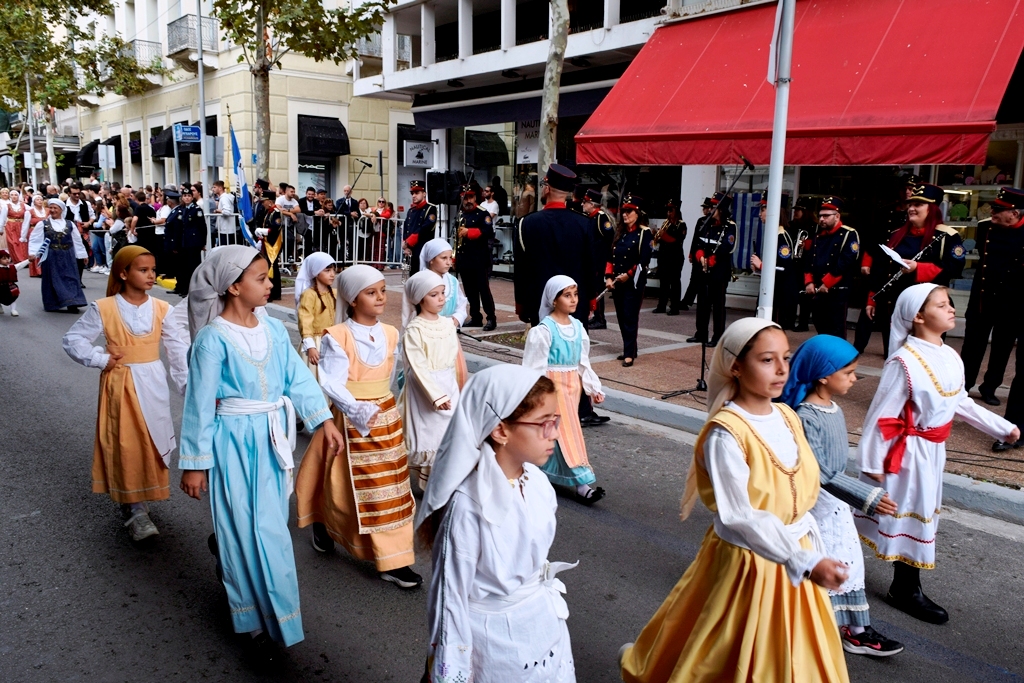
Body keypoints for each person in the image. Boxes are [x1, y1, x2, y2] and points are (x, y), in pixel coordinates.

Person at [620, 318, 850, 683]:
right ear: (736, 366)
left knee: (798, 651)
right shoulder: (727, 435)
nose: (781, 370)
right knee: (735, 650)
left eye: (786, 358)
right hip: (750, 563)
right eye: (766, 360)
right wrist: (804, 560)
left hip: (798, 553)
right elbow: (739, 517)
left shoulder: (789, 416)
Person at [179, 245, 342, 657]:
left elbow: (296, 378)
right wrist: (195, 465)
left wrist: (323, 421)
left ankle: (280, 617)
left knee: (269, 529)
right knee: (238, 528)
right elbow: (199, 405)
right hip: (231, 441)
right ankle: (250, 621)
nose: (272, 285)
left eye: (270, 277)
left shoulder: (270, 329)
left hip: (270, 439)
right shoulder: (211, 341)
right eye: (262, 279)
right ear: (234, 287)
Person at [854, 283, 1018, 625]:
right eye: (942, 305)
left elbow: (960, 402)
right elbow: (881, 416)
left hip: (932, 451)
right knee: (905, 512)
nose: (951, 309)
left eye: (950, 304)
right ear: (917, 316)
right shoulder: (904, 361)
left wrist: (1001, 427)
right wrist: (872, 463)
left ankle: (899, 583)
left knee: (919, 512)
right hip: (906, 453)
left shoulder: (948, 356)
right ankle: (900, 586)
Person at [416, 365, 578, 682]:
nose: (554, 433)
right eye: (544, 423)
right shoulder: (468, 505)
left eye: (555, 421)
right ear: (501, 430)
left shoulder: (538, 483)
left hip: (541, 625)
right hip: (494, 643)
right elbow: (450, 599)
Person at [295, 265, 421, 589]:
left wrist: (384, 405)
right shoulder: (338, 337)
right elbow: (330, 380)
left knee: (391, 488)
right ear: (352, 299)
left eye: (382, 290)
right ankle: (326, 522)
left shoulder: (391, 332)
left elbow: (390, 376)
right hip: (352, 419)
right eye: (371, 292)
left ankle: (393, 557)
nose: (380, 297)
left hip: (385, 419)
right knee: (347, 484)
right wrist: (356, 408)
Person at [781, 335, 904, 657]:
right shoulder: (807, 416)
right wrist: (867, 496)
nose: (854, 378)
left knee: (848, 562)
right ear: (823, 375)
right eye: (848, 372)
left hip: (837, 502)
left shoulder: (831, 408)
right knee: (831, 561)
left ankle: (853, 628)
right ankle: (833, 628)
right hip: (821, 503)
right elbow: (821, 473)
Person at [62, 246, 188, 542]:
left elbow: (178, 350)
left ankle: (140, 495)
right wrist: (100, 359)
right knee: (127, 442)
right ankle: (135, 509)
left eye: (153, 270)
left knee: (150, 439)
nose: (150, 275)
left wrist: (188, 386)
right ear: (123, 273)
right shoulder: (104, 307)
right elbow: (73, 340)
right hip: (120, 383)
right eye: (143, 270)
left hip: (153, 383)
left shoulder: (162, 308)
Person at [523, 275, 606, 504]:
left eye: (575, 294)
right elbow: (533, 368)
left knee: (560, 434)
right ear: (553, 299)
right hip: (551, 389)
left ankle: (541, 473)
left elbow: (583, 362)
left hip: (572, 390)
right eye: (567, 295)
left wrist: (592, 388)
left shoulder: (578, 327)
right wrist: (535, 396)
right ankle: (581, 484)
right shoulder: (544, 330)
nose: (573, 300)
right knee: (562, 433)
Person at [857, 184, 965, 357]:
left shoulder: (947, 236)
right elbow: (882, 270)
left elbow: (954, 267)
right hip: (894, 306)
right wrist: (872, 298)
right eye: (911, 204)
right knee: (894, 356)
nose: (911, 209)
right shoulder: (896, 234)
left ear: (932, 209)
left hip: (928, 308)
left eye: (918, 205)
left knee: (925, 358)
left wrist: (918, 269)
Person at [960, 187, 1024, 450]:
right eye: (993, 208)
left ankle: (990, 387)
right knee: (971, 347)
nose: (993, 213)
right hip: (984, 301)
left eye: (999, 210)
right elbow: (982, 269)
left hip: (1014, 306)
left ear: (1015, 214)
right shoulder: (986, 228)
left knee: (1001, 349)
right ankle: (961, 390)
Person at [401, 269, 461, 488]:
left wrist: (453, 388)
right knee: (431, 435)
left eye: (442, 293)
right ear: (419, 299)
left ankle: (443, 482)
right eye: (434, 295)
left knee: (448, 435)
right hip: (425, 390)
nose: (441, 299)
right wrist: (435, 395)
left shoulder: (447, 324)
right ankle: (432, 484)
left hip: (449, 384)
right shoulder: (414, 329)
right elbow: (418, 367)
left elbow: (451, 360)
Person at [605, 193, 653, 368]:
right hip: (618, 282)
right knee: (620, 316)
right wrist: (609, 277)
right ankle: (631, 348)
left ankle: (628, 354)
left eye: (629, 211)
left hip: (633, 282)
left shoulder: (644, 233)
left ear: (637, 213)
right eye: (624, 211)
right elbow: (610, 257)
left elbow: (644, 260)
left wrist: (629, 274)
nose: (625, 214)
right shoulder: (620, 233)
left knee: (630, 316)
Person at [804, 197, 860, 340]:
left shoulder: (848, 234)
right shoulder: (818, 235)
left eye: (826, 216)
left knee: (836, 331)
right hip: (818, 290)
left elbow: (845, 262)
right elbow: (809, 260)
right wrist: (808, 281)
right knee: (820, 327)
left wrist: (826, 283)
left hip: (837, 291)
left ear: (837, 216)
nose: (822, 219)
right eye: (820, 215)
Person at [687, 192, 736, 346]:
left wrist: (712, 259)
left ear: (721, 209)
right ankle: (701, 333)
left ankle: (718, 336)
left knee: (718, 305)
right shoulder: (707, 223)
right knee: (702, 303)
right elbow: (699, 242)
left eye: (714, 206)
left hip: (719, 272)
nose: (711, 210)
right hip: (704, 268)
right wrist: (700, 255)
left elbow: (727, 246)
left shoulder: (730, 226)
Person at [27, 198, 87, 313]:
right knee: (53, 279)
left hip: (68, 255)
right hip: (51, 255)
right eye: (51, 208)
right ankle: (53, 303)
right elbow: (35, 239)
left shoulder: (70, 224)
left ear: (61, 210)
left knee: (71, 278)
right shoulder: (43, 224)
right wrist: (32, 253)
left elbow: (77, 240)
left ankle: (72, 302)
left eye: (56, 208)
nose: (53, 210)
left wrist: (82, 255)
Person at [750, 194, 798, 329]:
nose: (760, 214)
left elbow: (784, 268)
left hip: (780, 293)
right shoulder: (774, 233)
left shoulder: (781, 235)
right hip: (773, 290)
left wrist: (762, 265)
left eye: (763, 209)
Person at [454, 185, 497, 331]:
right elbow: (456, 238)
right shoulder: (460, 214)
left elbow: (488, 232)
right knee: (470, 291)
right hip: (465, 258)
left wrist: (469, 232)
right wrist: (455, 258)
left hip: (479, 259)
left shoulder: (482, 213)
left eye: (471, 197)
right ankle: (475, 317)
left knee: (483, 290)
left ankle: (491, 318)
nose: (468, 201)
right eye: (465, 198)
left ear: (475, 198)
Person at [294, 252, 337, 382]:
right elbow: (305, 320)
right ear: (316, 272)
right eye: (327, 270)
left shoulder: (334, 293)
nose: (332, 274)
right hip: (316, 342)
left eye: (334, 270)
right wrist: (311, 346)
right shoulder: (309, 295)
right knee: (315, 377)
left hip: (333, 340)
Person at [653, 199, 686, 316]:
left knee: (675, 283)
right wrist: (656, 235)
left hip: (675, 257)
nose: (668, 213)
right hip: (664, 257)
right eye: (667, 210)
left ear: (676, 210)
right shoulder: (666, 223)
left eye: (671, 210)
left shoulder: (681, 224)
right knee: (663, 282)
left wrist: (664, 235)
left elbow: (676, 241)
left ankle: (675, 307)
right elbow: (660, 240)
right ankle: (661, 305)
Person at [680, 197, 713, 311]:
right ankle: (687, 301)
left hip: (708, 255)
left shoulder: (713, 221)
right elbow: (696, 238)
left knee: (705, 281)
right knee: (694, 279)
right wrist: (691, 253)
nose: (704, 210)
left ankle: (708, 302)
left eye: (706, 208)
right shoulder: (701, 221)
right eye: (704, 208)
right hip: (698, 254)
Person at [175, 185, 207, 296]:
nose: (187, 198)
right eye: (185, 196)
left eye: (189, 196)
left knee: (193, 267)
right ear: (182, 198)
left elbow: (202, 227)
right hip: (185, 243)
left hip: (194, 243)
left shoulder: (196, 210)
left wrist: (203, 243)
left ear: (192, 197)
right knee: (185, 267)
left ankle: (193, 290)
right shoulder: (182, 209)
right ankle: (185, 289)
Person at [402, 179, 438, 276]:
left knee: (422, 277)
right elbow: (406, 227)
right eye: (412, 193)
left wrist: (408, 242)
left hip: (423, 248)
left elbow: (425, 228)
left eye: (417, 193)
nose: (414, 196)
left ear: (424, 194)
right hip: (411, 249)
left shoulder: (431, 208)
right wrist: (405, 245)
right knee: (412, 277)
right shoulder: (411, 210)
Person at [254, 191, 284, 302]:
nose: (263, 204)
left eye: (264, 201)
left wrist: (263, 231)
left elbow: (275, 228)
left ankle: (274, 293)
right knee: (271, 267)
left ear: (270, 202)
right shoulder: (269, 212)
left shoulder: (276, 212)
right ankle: (274, 292)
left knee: (273, 268)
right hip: (268, 243)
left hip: (274, 244)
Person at [21, 194, 47, 277]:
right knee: (36, 249)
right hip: (34, 231)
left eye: (41, 199)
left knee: (45, 250)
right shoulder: (30, 212)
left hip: (45, 231)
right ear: (34, 202)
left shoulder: (47, 210)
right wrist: (23, 236)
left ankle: (45, 269)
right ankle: (37, 270)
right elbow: (25, 224)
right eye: (37, 199)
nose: (39, 201)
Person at [1, 190, 29, 266]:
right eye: (12, 195)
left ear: (18, 196)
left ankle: (24, 259)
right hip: (11, 226)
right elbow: (2, 218)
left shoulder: (24, 205)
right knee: (13, 242)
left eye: (15, 195)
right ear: (10, 196)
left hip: (22, 225)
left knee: (22, 242)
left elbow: (32, 211)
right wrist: (0, 229)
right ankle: (18, 259)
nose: (14, 196)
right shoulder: (7, 206)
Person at [212, 180, 238, 246]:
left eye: (214, 187)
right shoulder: (224, 197)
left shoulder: (224, 198)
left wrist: (218, 211)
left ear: (220, 188)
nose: (213, 189)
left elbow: (227, 211)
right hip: (226, 230)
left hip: (226, 230)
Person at [0, 249, 20, 316]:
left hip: (10, 286)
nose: (7, 260)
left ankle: (13, 310)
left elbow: (20, 265)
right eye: (4, 258)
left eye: (8, 258)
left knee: (12, 297)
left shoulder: (12, 267)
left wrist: (28, 260)